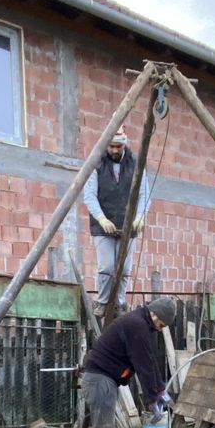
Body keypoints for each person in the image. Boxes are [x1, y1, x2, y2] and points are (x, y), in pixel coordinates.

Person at [82, 297, 175, 428]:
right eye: (161, 324)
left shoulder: (139, 324)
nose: (160, 328)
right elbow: (143, 365)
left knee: (104, 427)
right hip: (101, 380)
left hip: (102, 378)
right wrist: (152, 399)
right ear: (154, 313)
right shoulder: (137, 326)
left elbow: (149, 360)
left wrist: (160, 390)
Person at [83, 125, 150, 317]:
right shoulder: (97, 164)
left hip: (128, 225)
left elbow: (144, 193)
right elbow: (89, 195)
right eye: (111, 146)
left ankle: (120, 302)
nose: (114, 150)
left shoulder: (136, 164)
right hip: (103, 226)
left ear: (124, 145)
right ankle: (103, 302)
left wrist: (140, 215)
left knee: (125, 268)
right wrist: (101, 218)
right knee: (107, 267)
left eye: (118, 147)